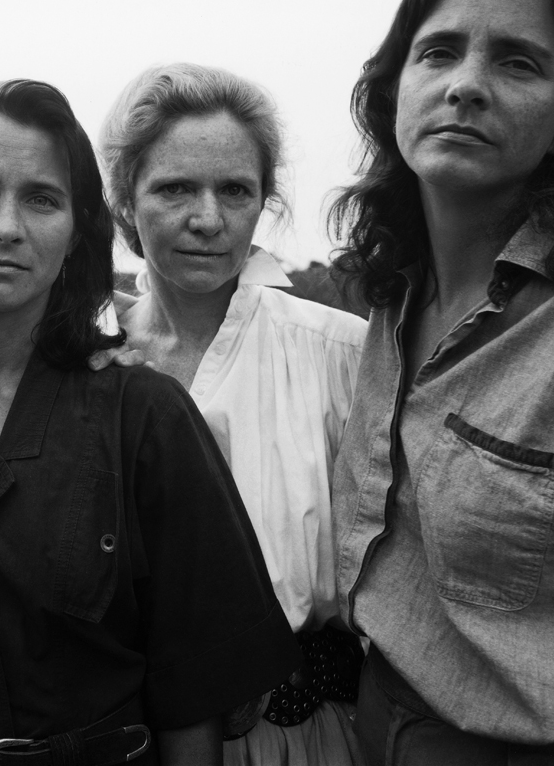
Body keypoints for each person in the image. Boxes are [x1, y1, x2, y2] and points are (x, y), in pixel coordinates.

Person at [0, 78, 303, 766]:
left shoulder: (145, 417)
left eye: (41, 198)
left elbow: (192, 701)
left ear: (75, 234)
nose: (6, 225)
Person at [329, 0, 554, 763]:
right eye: (439, 51)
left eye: (518, 62)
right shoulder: (387, 297)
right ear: (395, 94)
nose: (466, 84)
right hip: (372, 718)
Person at [98, 63, 368, 766]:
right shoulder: (80, 368)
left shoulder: (340, 354)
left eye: (235, 190)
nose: (208, 219)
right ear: (125, 200)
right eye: (175, 188)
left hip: (302, 739)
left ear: (263, 202)